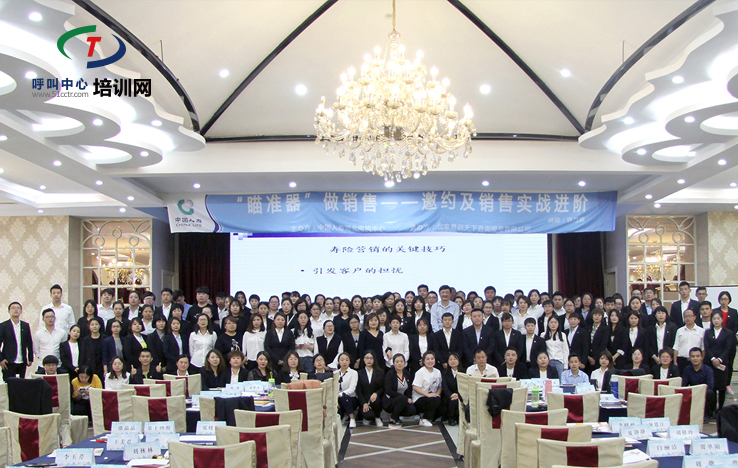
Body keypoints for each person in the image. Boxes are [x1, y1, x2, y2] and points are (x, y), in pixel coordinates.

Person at [704, 313, 735, 411]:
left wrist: (719, 359)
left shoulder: (728, 333)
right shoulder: (708, 332)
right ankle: (712, 409)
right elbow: (707, 347)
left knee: (722, 387)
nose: (716, 320)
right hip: (710, 363)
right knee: (712, 387)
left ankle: (720, 409)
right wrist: (713, 359)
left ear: (722, 320)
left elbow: (728, 348)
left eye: (718, 318)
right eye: (714, 318)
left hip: (722, 363)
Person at [0, 302, 33, 379]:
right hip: (8, 361)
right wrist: (1, 359)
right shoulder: (3, 326)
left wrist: (30, 358)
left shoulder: (25, 326)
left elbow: (29, 342)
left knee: (21, 383)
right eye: (13, 308)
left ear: (21, 311)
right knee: (9, 383)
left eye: (18, 308)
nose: (16, 310)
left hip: (22, 361)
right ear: (9, 311)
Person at [682, 347, 716, 420]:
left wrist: (699, 391)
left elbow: (710, 385)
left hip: (704, 392)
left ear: (701, 357)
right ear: (690, 358)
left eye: (697, 356)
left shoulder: (708, 370)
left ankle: (706, 415)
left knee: (710, 393)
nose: (695, 358)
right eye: (693, 356)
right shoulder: (687, 369)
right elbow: (684, 385)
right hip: (692, 392)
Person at [384, 353, 416, 428]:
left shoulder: (407, 373)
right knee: (402, 398)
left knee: (412, 409)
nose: (399, 363)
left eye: (401, 361)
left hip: (402, 400)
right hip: (390, 400)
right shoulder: (390, 374)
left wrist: (409, 397)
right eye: (397, 362)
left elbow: (409, 388)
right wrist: (402, 397)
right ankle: (393, 419)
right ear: (393, 363)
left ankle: (397, 415)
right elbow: (388, 391)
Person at [412, 351, 443, 426]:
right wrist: (427, 395)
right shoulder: (420, 372)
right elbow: (415, 387)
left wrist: (437, 394)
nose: (430, 361)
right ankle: (424, 419)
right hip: (420, 398)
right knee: (434, 400)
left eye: (432, 359)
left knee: (443, 407)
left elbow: (440, 386)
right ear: (423, 361)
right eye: (427, 359)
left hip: (433, 398)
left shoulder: (438, 372)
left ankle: (431, 418)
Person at [356, 350, 385, 426]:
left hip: (375, 400)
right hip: (364, 400)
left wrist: (376, 393)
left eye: (371, 358)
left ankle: (378, 417)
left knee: (375, 400)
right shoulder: (359, 373)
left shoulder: (380, 372)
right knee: (369, 416)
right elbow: (358, 390)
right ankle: (367, 417)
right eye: (367, 358)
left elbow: (382, 387)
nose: (369, 360)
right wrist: (364, 403)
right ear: (363, 359)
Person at [33, 308, 67, 374]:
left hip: (58, 365)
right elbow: (36, 350)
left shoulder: (62, 333)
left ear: (55, 318)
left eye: (52, 316)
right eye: (47, 317)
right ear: (43, 319)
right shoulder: (38, 334)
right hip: (42, 365)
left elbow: (65, 349)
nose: (50, 319)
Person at [336, 352, 359, 428]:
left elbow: (352, 389)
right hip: (338, 398)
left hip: (351, 398)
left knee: (344, 397)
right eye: (342, 360)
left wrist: (341, 394)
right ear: (339, 361)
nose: (344, 362)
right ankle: (343, 416)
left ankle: (352, 418)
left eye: (347, 360)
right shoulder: (335, 373)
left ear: (349, 361)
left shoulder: (353, 373)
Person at [81, 317, 106, 381]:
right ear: (89, 327)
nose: (94, 326)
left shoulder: (105, 338)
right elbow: (83, 355)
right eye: (92, 325)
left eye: (96, 324)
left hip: (102, 367)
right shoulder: (85, 340)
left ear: (99, 326)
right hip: (90, 367)